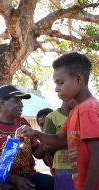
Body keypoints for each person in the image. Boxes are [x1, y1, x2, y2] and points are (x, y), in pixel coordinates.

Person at [16, 52, 99, 190]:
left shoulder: (88, 110)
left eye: (60, 82)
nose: (56, 89)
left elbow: (97, 155)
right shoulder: (76, 112)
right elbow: (60, 139)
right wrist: (35, 133)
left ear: (78, 79)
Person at [0, 85, 54, 190]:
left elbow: (37, 153)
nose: (21, 105)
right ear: (2, 102)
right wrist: (15, 179)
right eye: (16, 101)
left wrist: (47, 141)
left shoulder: (23, 122)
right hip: (6, 180)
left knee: (58, 184)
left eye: (21, 101)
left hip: (31, 176)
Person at [44, 99, 76, 190]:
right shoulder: (52, 117)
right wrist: (69, 139)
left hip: (84, 165)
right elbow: (46, 146)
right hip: (63, 167)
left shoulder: (83, 114)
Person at [36, 108, 55, 176]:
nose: (45, 127)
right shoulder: (42, 143)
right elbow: (38, 155)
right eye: (41, 125)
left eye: (48, 123)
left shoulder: (65, 138)